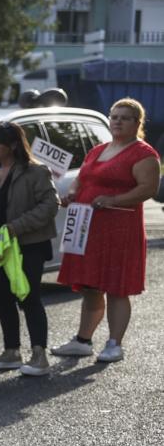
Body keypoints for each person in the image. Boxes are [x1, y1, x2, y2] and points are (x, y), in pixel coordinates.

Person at [51, 98, 161, 363]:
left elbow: (148, 188)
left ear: (137, 123)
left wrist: (113, 200)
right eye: (114, 117)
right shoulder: (98, 149)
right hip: (87, 227)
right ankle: (83, 340)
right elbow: (81, 180)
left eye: (124, 117)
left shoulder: (144, 154)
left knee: (116, 287)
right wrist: (72, 195)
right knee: (90, 285)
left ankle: (114, 344)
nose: (118, 121)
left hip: (119, 230)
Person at [0, 122, 59, 375]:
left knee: (29, 295)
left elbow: (50, 205)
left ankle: (39, 355)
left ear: (12, 145)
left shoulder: (36, 171)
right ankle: (11, 351)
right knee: (3, 298)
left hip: (28, 245)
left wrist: (18, 226)